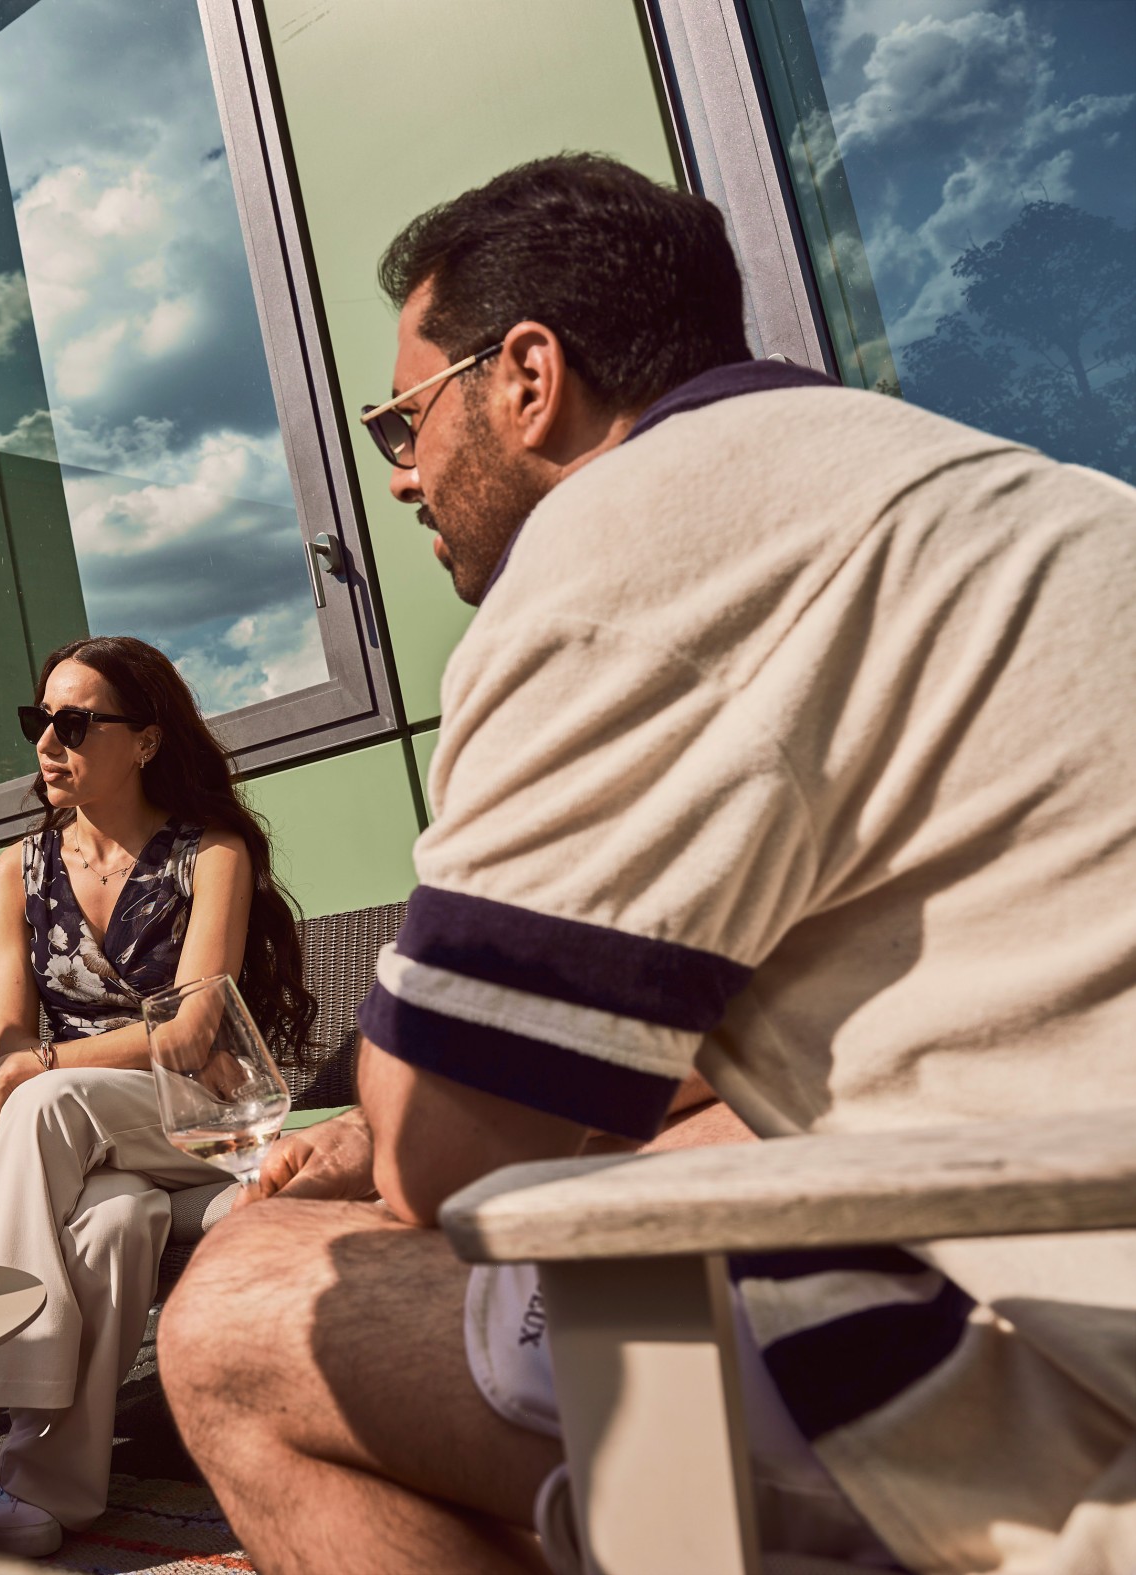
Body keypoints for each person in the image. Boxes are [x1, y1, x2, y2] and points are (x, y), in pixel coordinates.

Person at [157, 153, 1136, 1574]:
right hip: (1064, 1208)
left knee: (238, 1308)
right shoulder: (983, 492)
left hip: (1065, 1387)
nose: (400, 473)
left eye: (402, 417)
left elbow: (445, 1161)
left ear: (527, 376)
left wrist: (387, 1129)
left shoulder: (621, 551)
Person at [0, 636, 315, 1555]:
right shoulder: (18, 870)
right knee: (115, 1220)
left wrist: (35, 1068)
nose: (46, 743)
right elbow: (9, 1036)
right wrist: (16, 1069)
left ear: (144, 740)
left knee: (43, 1103)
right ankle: (48, 1489)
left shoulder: (209, 853)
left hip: (196, 1117)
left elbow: (191, 1031)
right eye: (40, 720)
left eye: (73, 723)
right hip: (90, 1145)